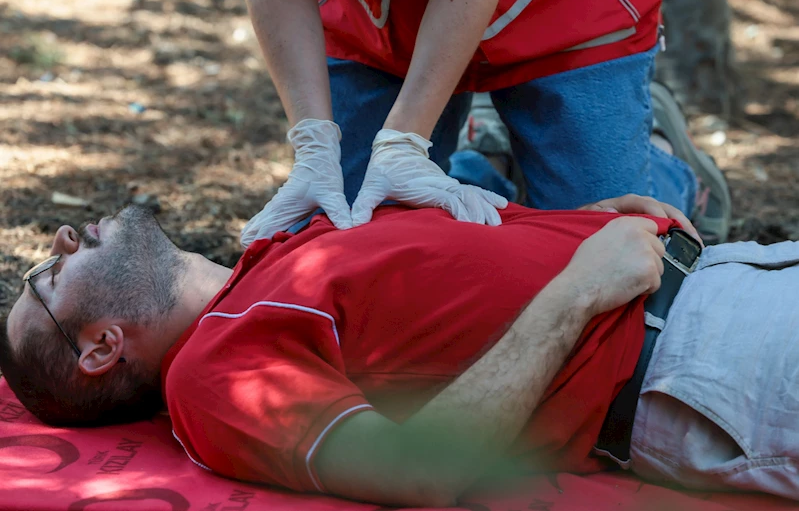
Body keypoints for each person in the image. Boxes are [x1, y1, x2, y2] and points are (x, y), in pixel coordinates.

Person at [2, 197, 798, 507]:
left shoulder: (267, 263)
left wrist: (572, 222)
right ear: (100, 348)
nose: (62, 238)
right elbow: (419, 468)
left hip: (730, 280)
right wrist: (579, 288)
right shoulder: (213, 375)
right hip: (708, 363)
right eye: (49, 276)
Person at [238, 0, 732, 246]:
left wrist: (401, 143)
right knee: (344, 234)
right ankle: (489, 163)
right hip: (381, 22)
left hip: (565, 8)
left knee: (597, 240)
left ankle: (670, 167)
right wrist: (314, 143)